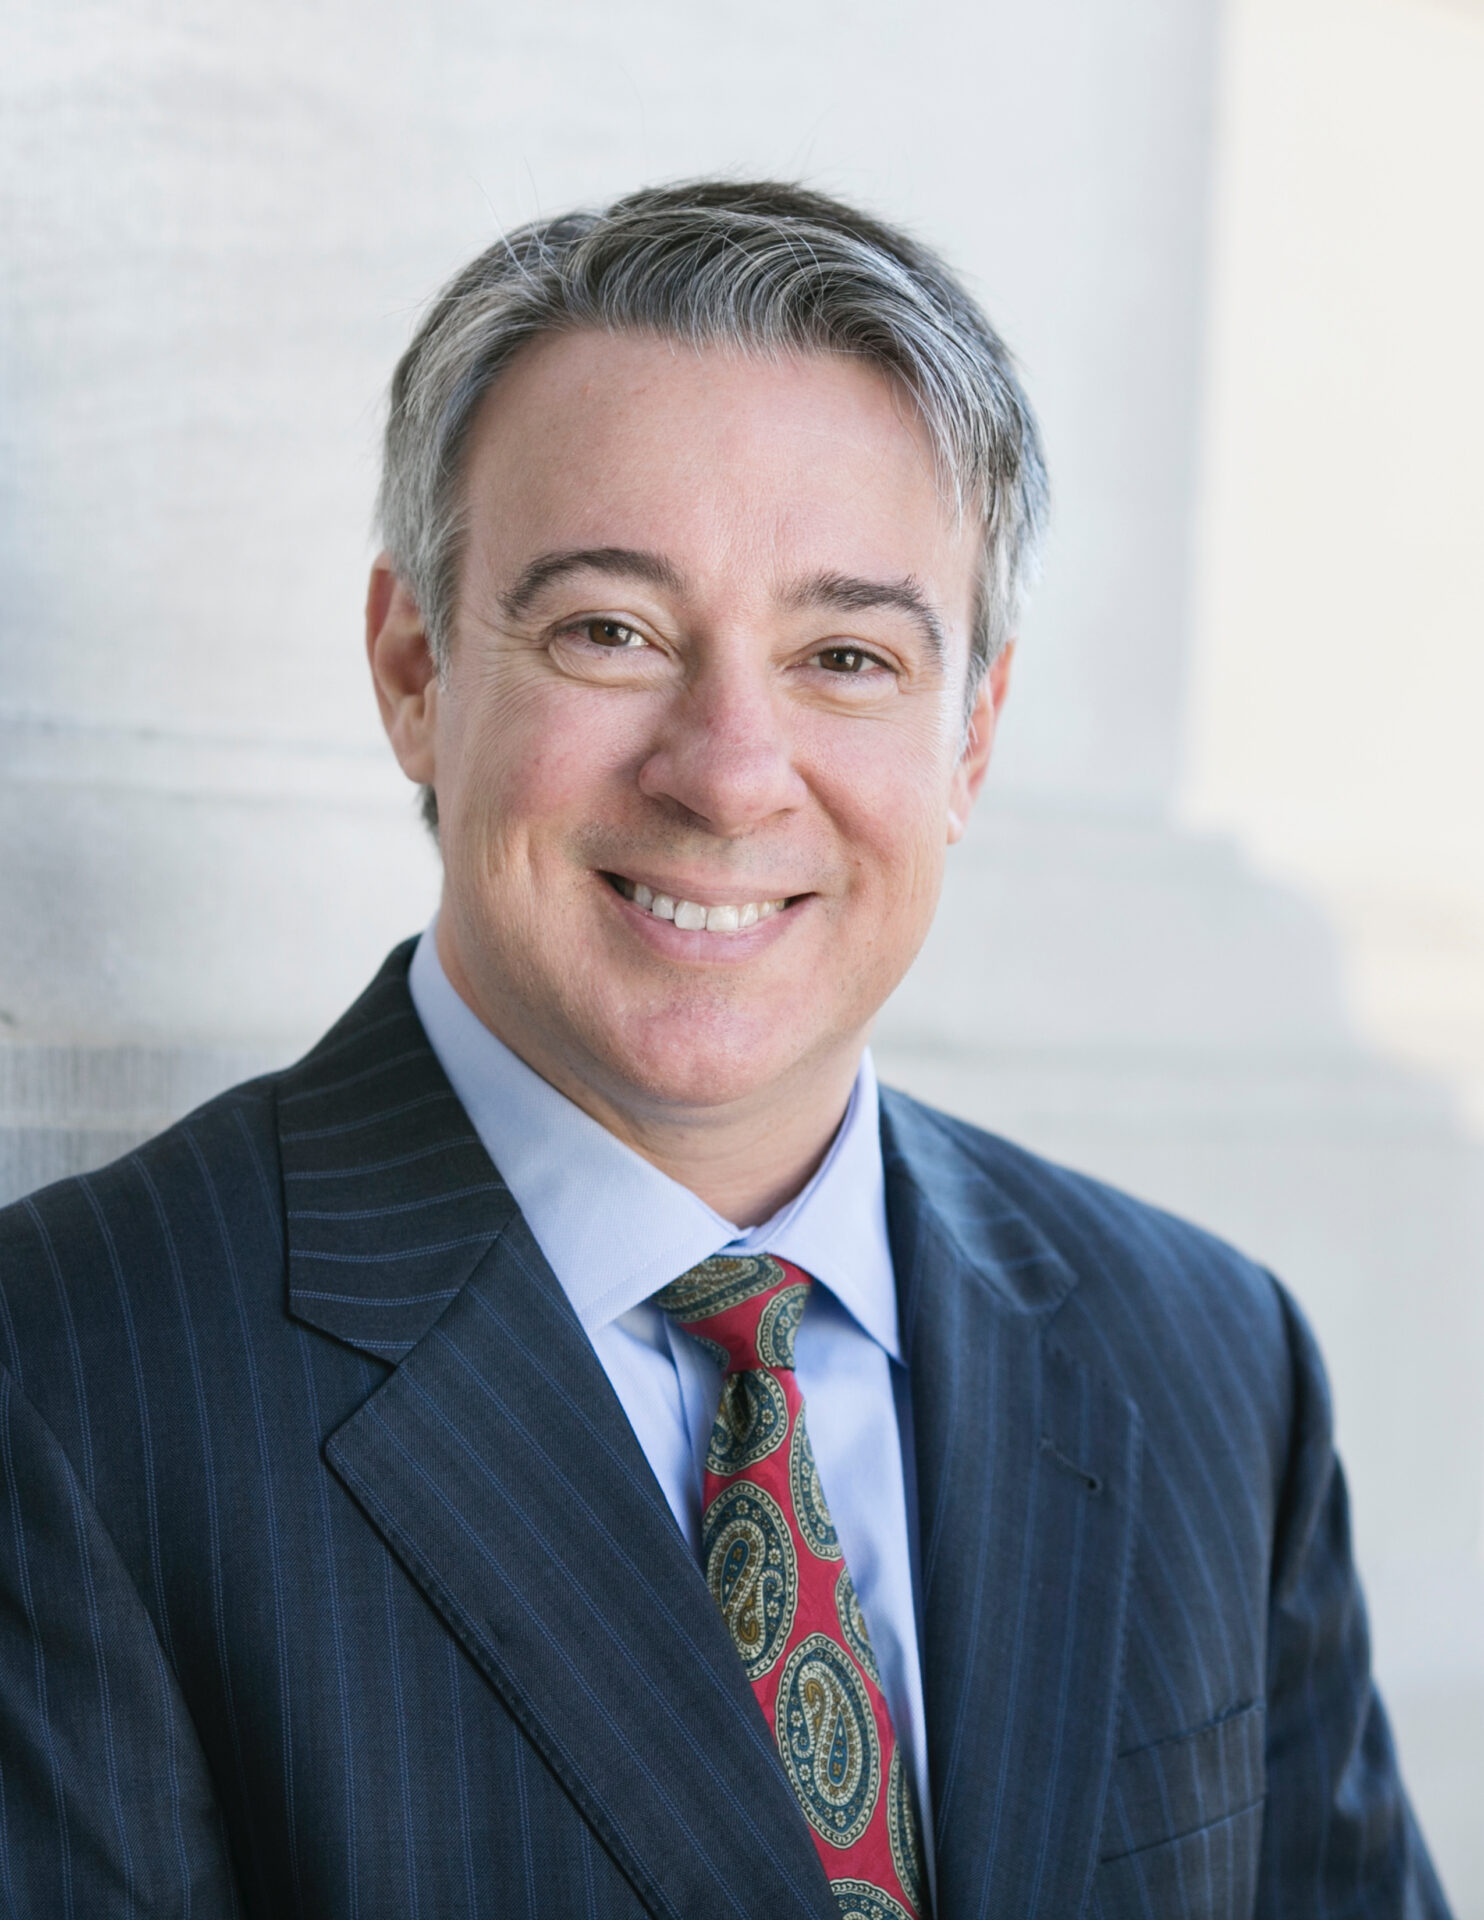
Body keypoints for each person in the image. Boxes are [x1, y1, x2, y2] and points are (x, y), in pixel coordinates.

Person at [0, 180, 1450, 1920]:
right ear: (411, 667)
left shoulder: (1209, 1362)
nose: (729, 768)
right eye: (611, 631)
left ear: (970, 736)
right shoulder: (67, 1385)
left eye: (845, 656)